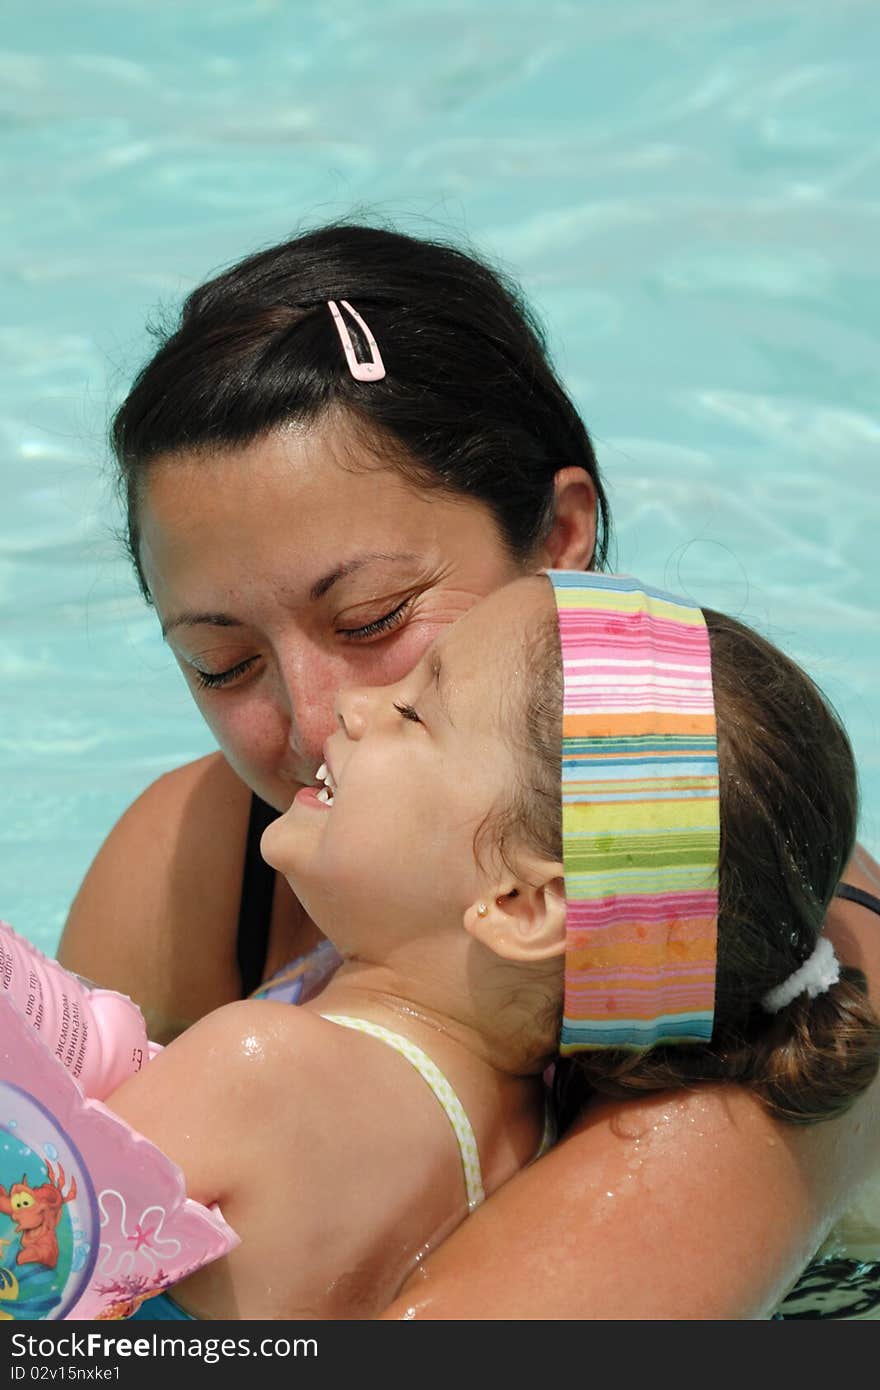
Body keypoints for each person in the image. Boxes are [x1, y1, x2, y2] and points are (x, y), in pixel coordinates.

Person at [56, 222, 880, 1318]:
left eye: (375, 617)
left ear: (560, 540)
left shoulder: (780, 970)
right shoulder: (201, 859)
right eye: (223, 662)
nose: (314, 720)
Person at [101, 572, 879, 1320]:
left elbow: (30, 1256)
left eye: (413, 713)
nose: (349, 705)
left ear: (521, 904)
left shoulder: (258, 1069)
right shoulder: (523, 1130)